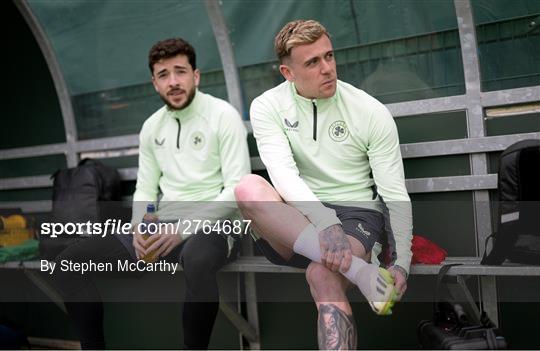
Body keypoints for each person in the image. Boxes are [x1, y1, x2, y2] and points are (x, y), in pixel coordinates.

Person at [51, 38, 250, 349]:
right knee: (67, 265)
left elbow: (237, 189)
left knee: (197, 261)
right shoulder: (151, 127)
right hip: (163, 226)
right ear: (154, 82)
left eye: (180, 71)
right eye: (163, 74)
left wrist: (181, 231)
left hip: (215, 227)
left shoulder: (223, 116)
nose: (173, 82)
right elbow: (145, 187)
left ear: (195, 76)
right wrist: (139, 230)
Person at [234, 20, 412, 350]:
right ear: (287, 73)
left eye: (329, 56)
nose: (327, 69)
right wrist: (324, 222)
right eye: (313, 62)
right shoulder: (267, 106)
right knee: (247, 188)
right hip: (295, 221)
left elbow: (393, 192)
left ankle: (357, 269)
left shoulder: (370, 111)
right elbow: (283, 174)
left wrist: (402, 261)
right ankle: (363, 274)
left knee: (321, 275)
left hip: (355, 218)